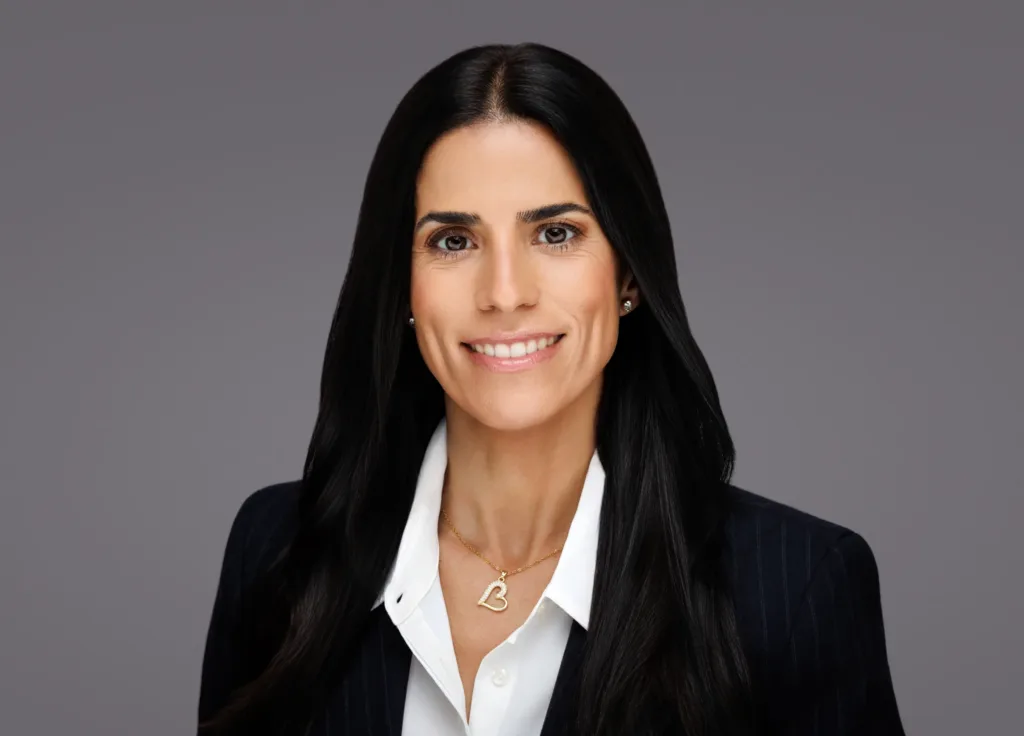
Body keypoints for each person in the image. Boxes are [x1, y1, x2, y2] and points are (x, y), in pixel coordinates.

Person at [196, 42, 905, 736]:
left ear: (628, 274)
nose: (505, 295)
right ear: (401, 285)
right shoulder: (277, 551)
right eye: (453, 241)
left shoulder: (796, 588)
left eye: (556, 233)